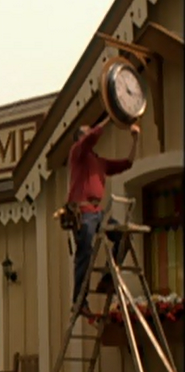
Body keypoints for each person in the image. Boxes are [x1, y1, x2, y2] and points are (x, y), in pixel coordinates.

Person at [67, 120, 139, 318]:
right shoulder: (77, 152)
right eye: (86, 130)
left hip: (97, 212)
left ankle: (108, 276)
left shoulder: (99, 162)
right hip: (82, 212)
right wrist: (111, 117)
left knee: (123, 237)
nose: (90, 132)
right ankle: (79, 301)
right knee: (85, 252)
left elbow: (127, 164)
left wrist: (135, 140)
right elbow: (91, 137)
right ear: (80, 138)